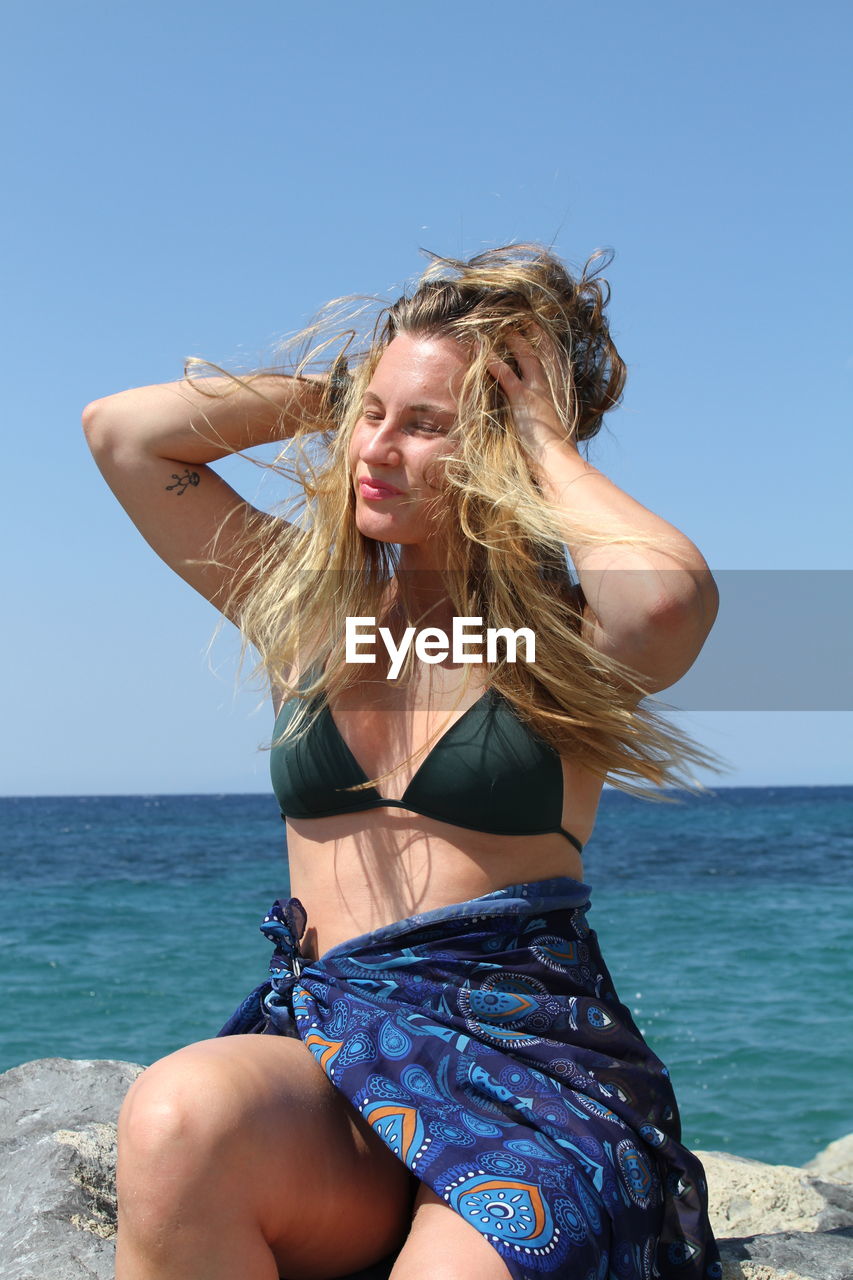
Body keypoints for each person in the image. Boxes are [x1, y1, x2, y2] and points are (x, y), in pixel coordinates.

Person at [83, 244, 723, 1280]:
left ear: (499, 450)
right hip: (339, 1064)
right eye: (370, 417)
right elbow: (123, 433)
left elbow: (663, 600)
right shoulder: (307, 613)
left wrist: (543, 444)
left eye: (428, 427)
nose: (376, 449)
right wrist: (351, 388)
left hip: (530, 1078)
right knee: (175, 1116)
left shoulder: (563, 642)